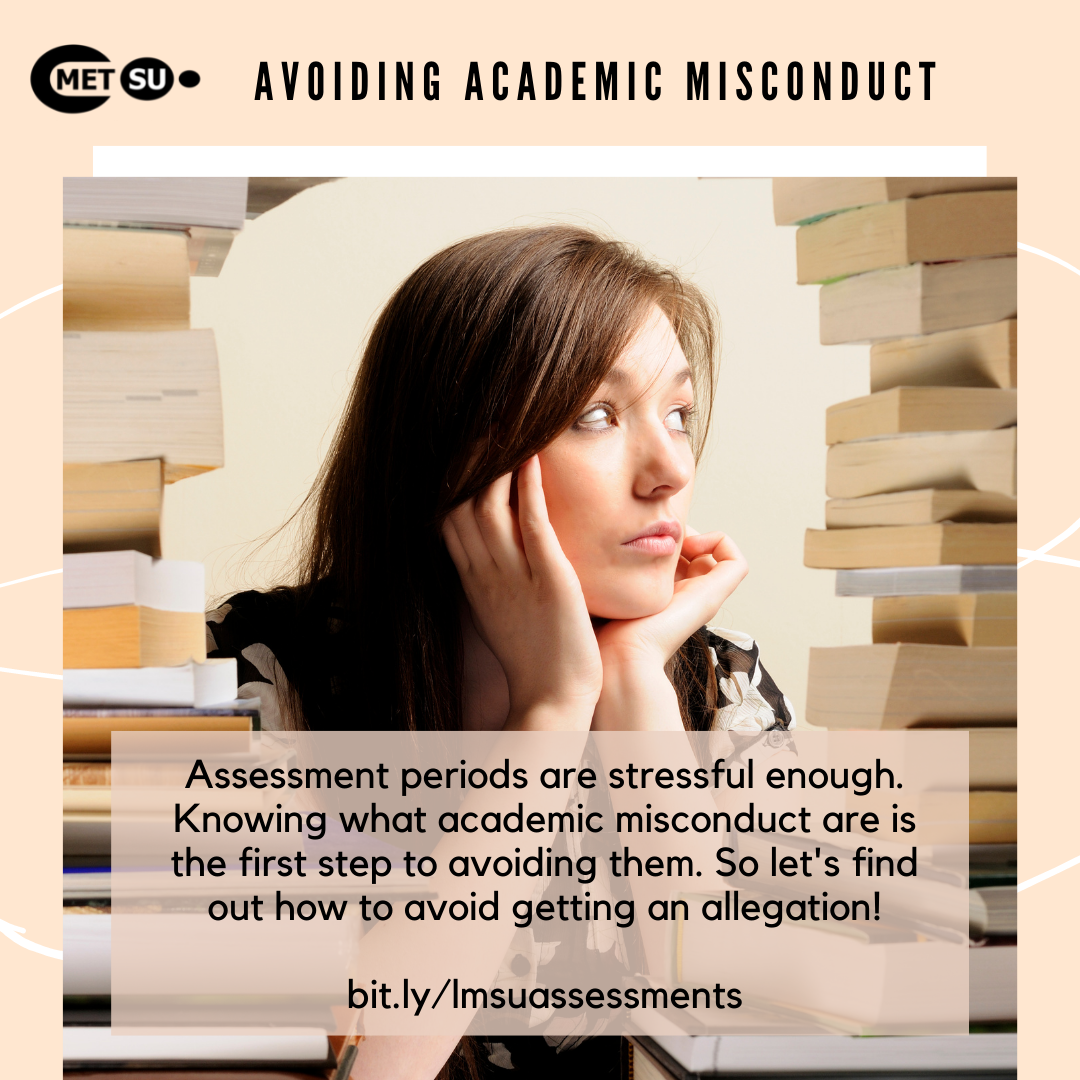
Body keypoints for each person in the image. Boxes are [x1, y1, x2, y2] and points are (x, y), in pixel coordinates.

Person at [206, 224, 795, 1079]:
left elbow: (741, 1042)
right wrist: (548, 715)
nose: (669, 468)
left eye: (680, 412)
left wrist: (635, 697)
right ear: (461, 456)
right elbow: (358, 1070)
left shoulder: (718, 686)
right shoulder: (254, 677)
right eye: (596, 414)